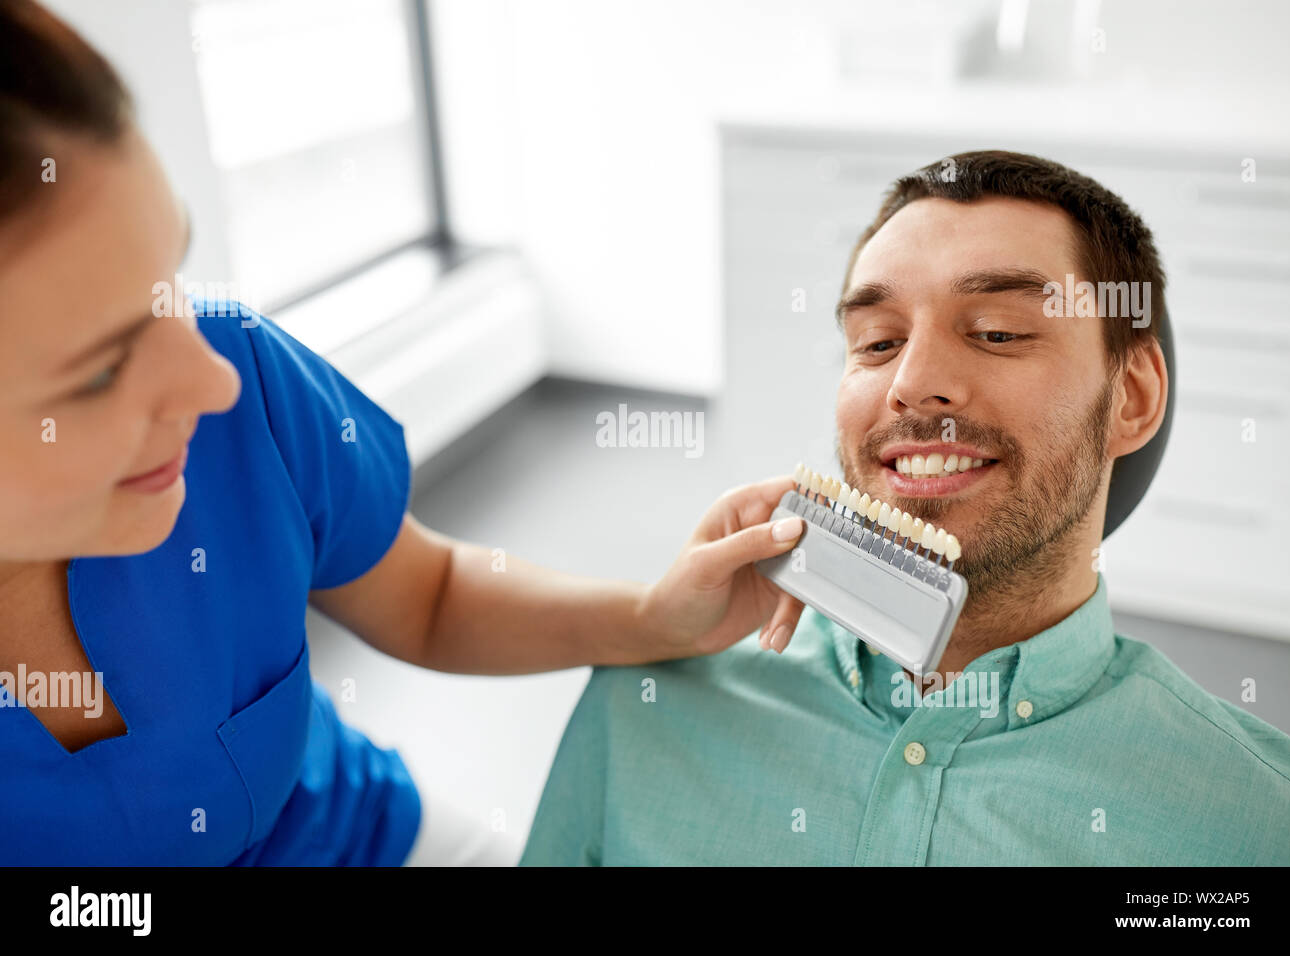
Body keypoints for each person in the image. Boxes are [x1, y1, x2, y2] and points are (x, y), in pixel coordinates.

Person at [0, 0, 806, 865]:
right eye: (99, 370)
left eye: (170, 282)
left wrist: (653, 620)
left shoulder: (245, 380)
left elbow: (426, 597)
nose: (212, 381)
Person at [520, 150, 1290, 866]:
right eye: (877, 342)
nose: (912, 381)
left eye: (996, 331)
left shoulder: (1261, 828)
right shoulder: (646, 702)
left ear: (1130, 397)